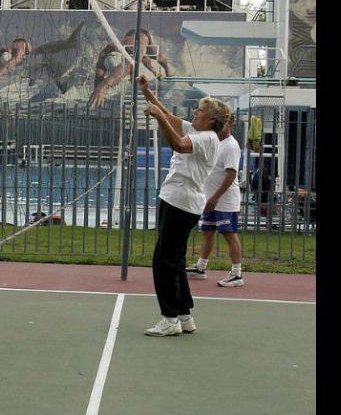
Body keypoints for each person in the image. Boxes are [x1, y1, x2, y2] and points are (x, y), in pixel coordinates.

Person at [139, 75, 230, 336]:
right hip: (177, 200)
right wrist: (147, 92)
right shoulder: (197, 131)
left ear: (211, 118)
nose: (195, 112)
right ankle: (183, 314)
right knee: (175, 260)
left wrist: (157, 117)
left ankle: (169, 319)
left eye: (200, 110)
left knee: (163, 261)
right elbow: (168, 115)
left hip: (181, 203)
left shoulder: (206, 139)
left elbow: (177, 143)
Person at [185, 113, 245, 287]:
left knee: (229, 234)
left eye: (224, 124)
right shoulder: (215, 142)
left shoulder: (231, 146)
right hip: (209, 198)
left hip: (224, 200)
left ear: (231, 125)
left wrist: (216, 197)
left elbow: (231, 174)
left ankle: (236, 274)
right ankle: (200, 268)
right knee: (208, 232)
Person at [88, 29, 172, 109]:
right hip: (128, 49)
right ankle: (157, 72)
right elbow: (100, 69)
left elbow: (131, 65)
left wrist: (103, 86)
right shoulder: (112, 47)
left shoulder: (141, 47)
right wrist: (98, 89)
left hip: (141, 42)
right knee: (135, 65)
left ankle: (167, 70)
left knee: (159, 60)